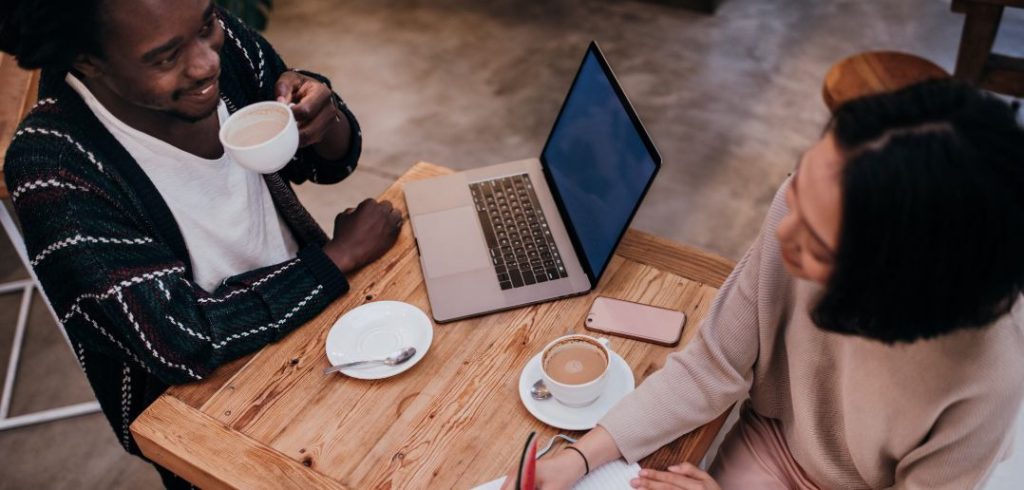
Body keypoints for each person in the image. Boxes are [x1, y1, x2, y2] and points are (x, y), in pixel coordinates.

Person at [506, 80, 1024, 489]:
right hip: (769, 440)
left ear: (893, 285)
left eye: (816, 245)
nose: (782, 233)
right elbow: (712, 367)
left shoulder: (988, 380)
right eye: (798, 184)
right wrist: (578, 459)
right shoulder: (804, 210)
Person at [1, 0, 401, 487]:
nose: (206, 61)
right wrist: (338, 257)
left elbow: (327, 163)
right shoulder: (56, 171)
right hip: (212, 409)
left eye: (207, 23)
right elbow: (178, 339)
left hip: (316, 325)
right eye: (165, 58)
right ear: (87, 60)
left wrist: (323, 115)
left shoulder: (214, 44)